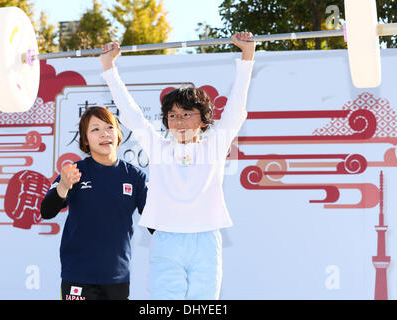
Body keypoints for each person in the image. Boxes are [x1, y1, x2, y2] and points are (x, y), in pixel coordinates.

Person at [100, 32, 255, 300]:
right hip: (166, 240)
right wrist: (109, 68)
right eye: (172, 115)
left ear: (204, 121)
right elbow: (131, 115)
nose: (179, 121)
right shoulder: (158, 148)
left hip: (205, 239)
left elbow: (236, 111)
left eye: (186, 114)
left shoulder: (213, 146)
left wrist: (247, 56)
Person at [40, 106, 148, 300]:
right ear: (85, 140)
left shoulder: (135, 176)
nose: (104, 134)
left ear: (118, 134)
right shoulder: (74, 172)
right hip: (78, 275)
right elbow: (46, 211)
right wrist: (63, 186)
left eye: (109, 127)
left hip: (117, 277)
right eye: (95, 129)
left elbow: (155, 221)